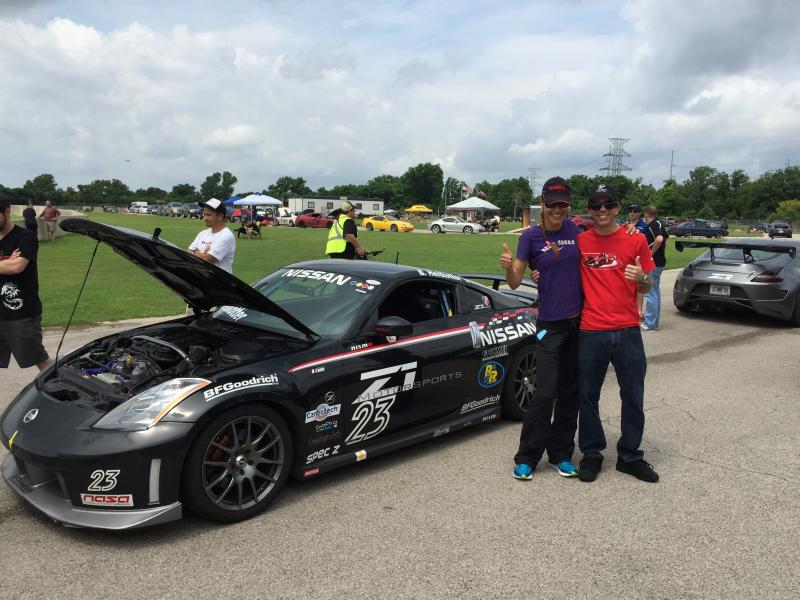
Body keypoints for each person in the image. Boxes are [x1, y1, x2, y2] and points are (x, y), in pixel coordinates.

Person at [576, 183, 659, 483]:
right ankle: (592, 453)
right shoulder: (580, 241)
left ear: (616, 208)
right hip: (591, 330)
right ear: (589, 210)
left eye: (607, 204)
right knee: (587, 396)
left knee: (633, 395)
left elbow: (647, 284)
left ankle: (629, 455)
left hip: (627, 330)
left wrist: (642, 280)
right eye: (595, 205)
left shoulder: (634, 241)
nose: (601, 210)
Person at [500, 176, 581, 479]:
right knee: (545, 391)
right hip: (550, 323)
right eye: (552, 203)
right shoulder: (531, 237)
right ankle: (528, 456)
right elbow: (515, 281)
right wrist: (509, 267)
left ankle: (561, 453)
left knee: (570, 391)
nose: (558, 209)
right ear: (543, 203)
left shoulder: (576, 230)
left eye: (563, 204)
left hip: (578, 323)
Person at [0, 193, 52, 370]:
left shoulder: (25, 238)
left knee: (41, 361)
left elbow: (17, 267)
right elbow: (9, 265)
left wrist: (9, 263)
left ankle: (63, 391)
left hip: (21, 315)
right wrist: (5, 262)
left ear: (6, 212)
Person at [187, 198, 236, 273]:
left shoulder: (226, 236)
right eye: (204, 214)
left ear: (220, 216)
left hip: (219, 282)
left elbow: (206, 259)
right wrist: (201, 253)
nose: (205, 218)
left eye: (209, 215)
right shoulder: (203, 233)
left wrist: (195, 252)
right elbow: (187, 254)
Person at [641, 205, 667, 331]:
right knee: (655, 291)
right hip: (660, 262)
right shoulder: (660, 223)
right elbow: (667, 238)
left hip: (653, 263)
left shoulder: (652, 225)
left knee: (650, 293)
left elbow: (660, 239)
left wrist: (649, 254)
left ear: (646, 214)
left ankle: (650, 324)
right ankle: (654, 322)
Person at [627, 204, 649, 319]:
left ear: (639, 213)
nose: (632, 213)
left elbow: (649, 243)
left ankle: (639, 310)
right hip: (627, 257)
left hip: (639, 259)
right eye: (630, 210)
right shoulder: (624, 225)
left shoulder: (644, 226)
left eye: (635, 211)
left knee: (639, 284)